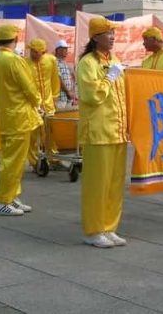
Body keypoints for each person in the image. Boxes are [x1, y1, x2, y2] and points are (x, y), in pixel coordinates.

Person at [78, 16, 128, 248]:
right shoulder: (88, 63)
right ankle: (93, 229)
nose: (112, 37)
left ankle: (109, 226)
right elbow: (91, 96)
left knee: (114, 183)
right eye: (108, 33)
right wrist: (109, 78)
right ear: (96, 37)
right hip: (98, 131)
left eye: (113, 33)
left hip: (117, 131)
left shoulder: (115, 60)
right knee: (97, 184)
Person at [0, 25, 41, 215]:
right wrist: (38, 102)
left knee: (12, 160)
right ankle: (2, 200)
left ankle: (11, 196)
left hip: (6, 115)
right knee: (13, 161)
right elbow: (29, 88)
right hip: (19, 117)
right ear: (15, 39)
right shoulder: (14, 60)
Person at [25, 38, 59, 171]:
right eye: (32, 51)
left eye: (36, 52)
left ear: (43, 52)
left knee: (50, 131)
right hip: (32, 104)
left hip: (48, 103)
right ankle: (34, 162)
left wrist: (55, 98)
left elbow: (55, 80)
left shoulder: (51, 60)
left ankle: (53, 158)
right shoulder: (25, 63)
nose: (33, 54)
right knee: (32, 134)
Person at [54, 40, 77, 109]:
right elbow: (58, 78)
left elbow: (71, 79)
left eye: (66, 49)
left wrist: (72, 92)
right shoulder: (55, 62)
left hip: (68, 98)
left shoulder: (65, 63)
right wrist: (68, 92)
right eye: (64, 49)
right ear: (58, 50)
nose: (66, 51)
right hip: (60, 98)